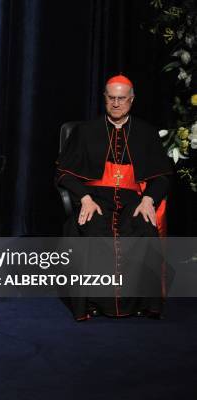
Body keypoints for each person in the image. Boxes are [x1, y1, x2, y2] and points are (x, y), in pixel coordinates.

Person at [56, 74, 173, 320]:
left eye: (122, 98)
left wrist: (148, 199)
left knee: (144, 227)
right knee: (90, 227)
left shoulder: (146, 132)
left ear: (132, 100)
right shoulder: (85, 131)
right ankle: (91, 303)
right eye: (111, 98)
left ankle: (141, 303)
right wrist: (84, 198)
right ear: (104, 99)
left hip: (134, 200)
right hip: (95, 198)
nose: (117, 103)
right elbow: (64, 174)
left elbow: (162, 176)